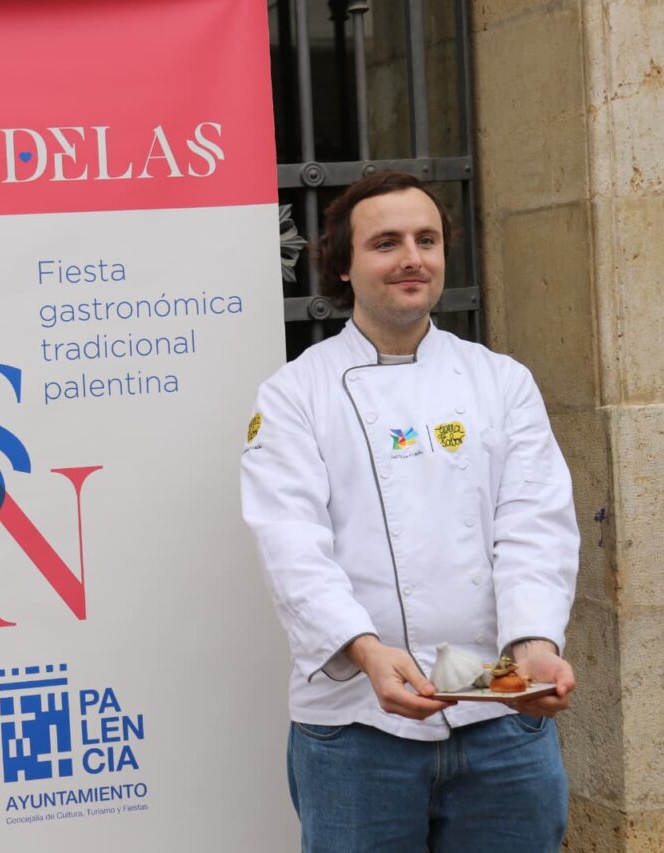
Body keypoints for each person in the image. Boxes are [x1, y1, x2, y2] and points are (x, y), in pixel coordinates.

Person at [241, 171, 579, 852]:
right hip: (357, 732)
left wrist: (536, 642)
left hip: (501, 722)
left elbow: (534, 522)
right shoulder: (294, 394)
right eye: (386, 242)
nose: (412, 258)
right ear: (343, 263)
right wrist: (365, 652)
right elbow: (291, 545)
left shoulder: (500, 380)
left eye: (427, 239)